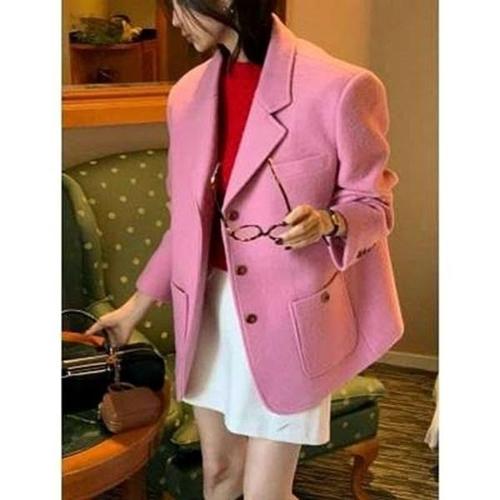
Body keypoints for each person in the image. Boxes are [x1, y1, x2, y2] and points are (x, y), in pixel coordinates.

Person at [84, 0, 404, 498]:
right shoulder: (187, 95)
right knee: (219, 475)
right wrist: (133, 309)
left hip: (289, 322)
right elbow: (186, 224)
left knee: (264, 493)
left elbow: (374, 205)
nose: (173, 22)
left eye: (179, 6)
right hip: (208, 313)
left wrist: (330, 221)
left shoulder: (340, 86)